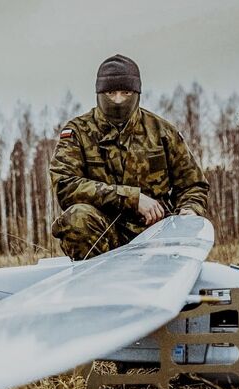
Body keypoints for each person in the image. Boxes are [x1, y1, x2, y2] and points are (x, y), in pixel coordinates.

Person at [49, 54, 209, 260]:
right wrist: (132, 199)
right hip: (103, 237)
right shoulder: (78, 132)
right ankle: (97, 288)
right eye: (110, 92)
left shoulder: (161, 131)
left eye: (125, 92)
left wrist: (189, 211)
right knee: (76, 218)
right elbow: (65, 185)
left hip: (156, 235)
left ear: (137, 92)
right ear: (99, 93)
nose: (117, 100)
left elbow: (193, 185)